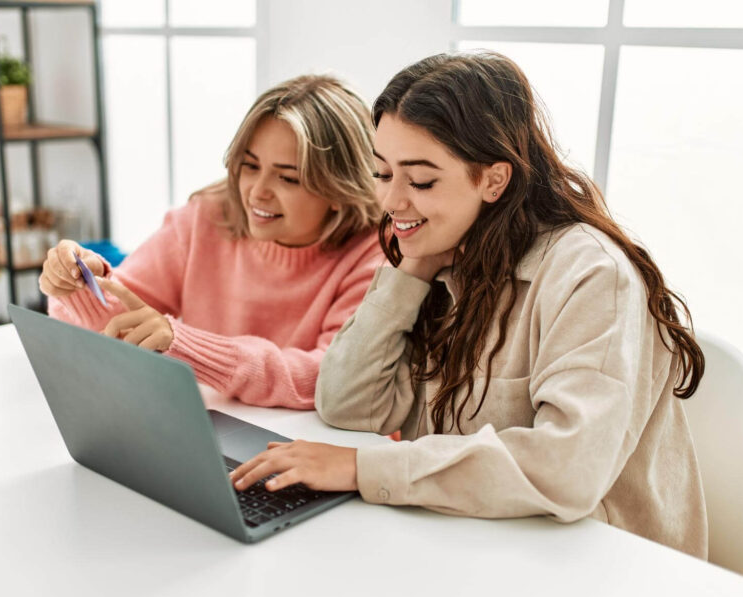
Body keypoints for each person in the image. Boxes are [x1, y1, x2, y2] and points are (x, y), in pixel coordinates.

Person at [229, 52, 708, 557]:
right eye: (382, 173)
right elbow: (351, 405)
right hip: (470, 544)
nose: (391, 202)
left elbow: (569, 469)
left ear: (493, 180)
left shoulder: (590, 276)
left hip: (597, 565)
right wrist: (410, 269)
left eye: (421, 181)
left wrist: (358, 468)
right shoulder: (443, 253)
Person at [39, 75, 384, 409]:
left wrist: (190, 347)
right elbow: (115, 333)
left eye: (288, 178)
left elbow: (328, 377)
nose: (257, 192)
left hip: (315, 450)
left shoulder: (374, 254)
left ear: (340, 189)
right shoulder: (207, 215)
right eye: (249, 166)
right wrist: (80, 284)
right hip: (212, 425)